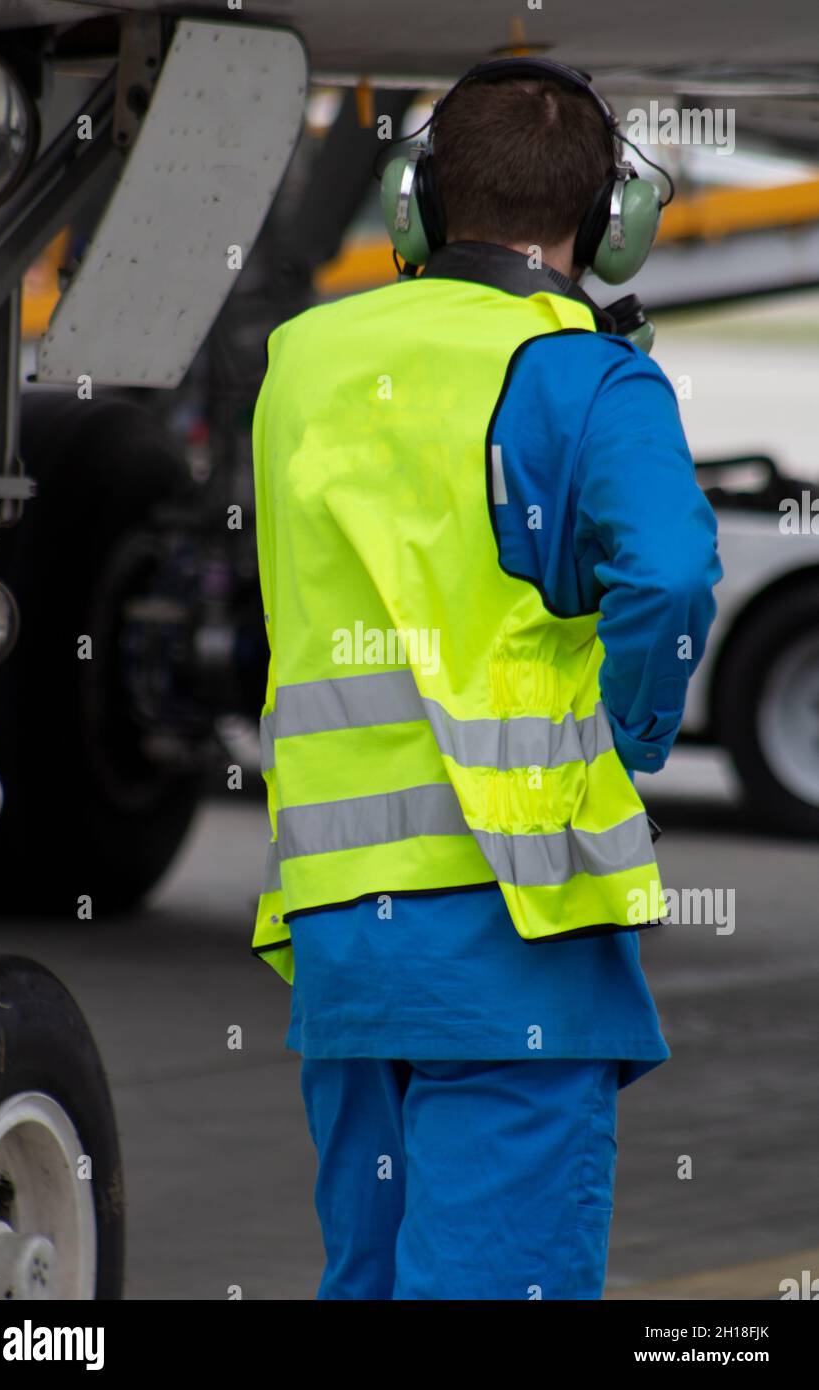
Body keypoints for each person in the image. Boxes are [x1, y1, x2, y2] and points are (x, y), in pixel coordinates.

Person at [250, 58, 722, 1300]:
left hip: (344, 921)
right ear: (608, 222)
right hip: (517, 917)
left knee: (368, 1273)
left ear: (412, 205)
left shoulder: (300, 359)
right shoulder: (582, 375)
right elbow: (668, 577)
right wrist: (629, 731)